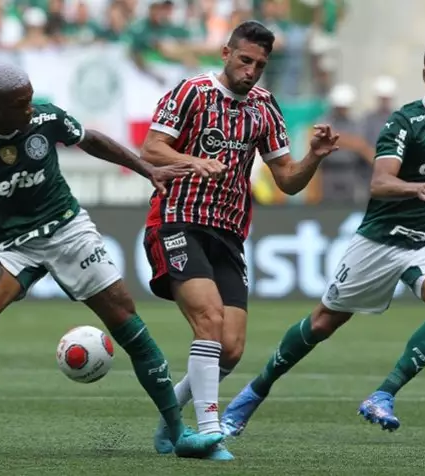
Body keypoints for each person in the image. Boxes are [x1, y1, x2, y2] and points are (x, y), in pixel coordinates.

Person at [0, 63, 226, 460]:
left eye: (31, 98)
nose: (30, 108)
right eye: (21, 103)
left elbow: (92, 141)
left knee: (128, 323)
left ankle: (178, 432)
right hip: (10, 245)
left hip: (67, 230)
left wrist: (147, 168)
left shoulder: (46, 116)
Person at [221, 38, 425, 436]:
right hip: (381, 241)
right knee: (322, 324)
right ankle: (253, 393)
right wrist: (413, 188)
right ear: (424, 75)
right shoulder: (405, 123)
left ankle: (383, 394)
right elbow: (380, 181)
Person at [140, 20, 340, 460]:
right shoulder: (191, 92)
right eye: (245, 60)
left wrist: (313, 157)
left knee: (230, 348)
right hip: (177, 221)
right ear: (226, 53)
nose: (251, 71)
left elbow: (287, 180)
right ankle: (208, 433)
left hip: (229, 231)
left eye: (260, 65)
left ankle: (171, 414)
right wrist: (193, 161)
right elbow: (152, 149)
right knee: (208, 320)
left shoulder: (265, 107)